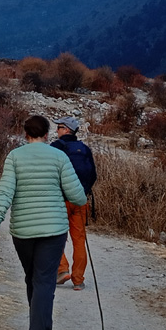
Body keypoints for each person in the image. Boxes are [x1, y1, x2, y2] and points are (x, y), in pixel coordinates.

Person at [0, 115, 87, 330]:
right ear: (47, 134)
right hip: (53, 230)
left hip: (22, 230)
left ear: (25, 135)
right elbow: (77, 196)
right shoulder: (59, 157)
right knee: (43, 280)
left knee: (33, 277)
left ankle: (40, 328)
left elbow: (5, 191)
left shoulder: (14, 157)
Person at [51, 115, 97, 291]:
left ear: (67, 130)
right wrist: (82, 192)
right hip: (80, 200)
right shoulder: (84, 149)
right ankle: (78, 280)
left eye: (59, 127)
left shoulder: (56, 147)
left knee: (55, 237)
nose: (57, 130)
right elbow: (93, 175)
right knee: (79, 240)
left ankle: (62, 270)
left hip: (60, 200)